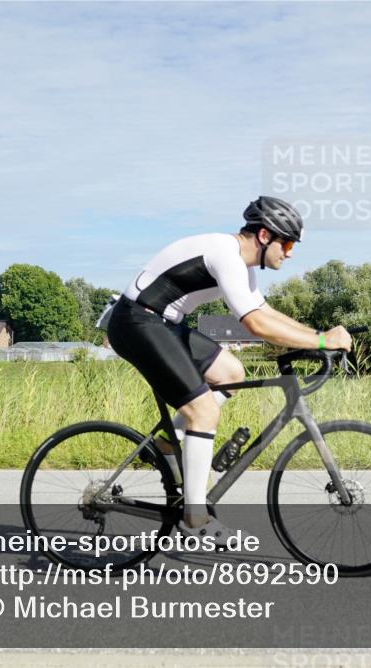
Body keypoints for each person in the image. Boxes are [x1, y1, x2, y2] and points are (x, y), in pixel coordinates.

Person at [104, 196, 352, 546]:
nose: (291, 252)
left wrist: (315, 337)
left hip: (162, 321)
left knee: (232, 372)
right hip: (136, 322)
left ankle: (165, 444)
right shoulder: (227, 256)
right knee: (203, 411)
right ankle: (194, 518)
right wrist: (323, 342)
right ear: (265, 236)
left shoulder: (242, 266)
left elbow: (266, 312)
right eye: (288, 242)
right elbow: (255, 325)